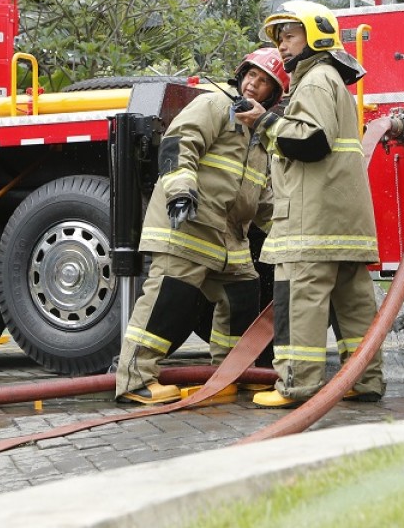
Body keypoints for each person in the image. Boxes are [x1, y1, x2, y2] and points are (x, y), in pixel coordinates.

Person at [115, 48, 288, 405]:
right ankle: (133, 379)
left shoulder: (260, 139)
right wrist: (180, 191)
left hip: (228, 240)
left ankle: (232, 372)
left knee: (242, 296)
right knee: (168, 300)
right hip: (188, 225)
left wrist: (289, 230)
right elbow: (180, 144)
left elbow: (262, 197)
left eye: (264, 82)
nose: (254, 85)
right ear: (240, 75)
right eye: (251, 75)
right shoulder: (213, 106)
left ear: (273, 95)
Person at [235, 0, 384, 408]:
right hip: (342, 223)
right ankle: (364, 379)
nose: (283, 47)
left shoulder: (316, 80)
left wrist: (263, 121)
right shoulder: (331, 80)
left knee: (299, 302)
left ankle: (296, 386)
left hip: (311, 224)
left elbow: (310, 142)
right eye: (279, 39)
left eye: (289, 36)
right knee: (353, 307)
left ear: (316, 34)